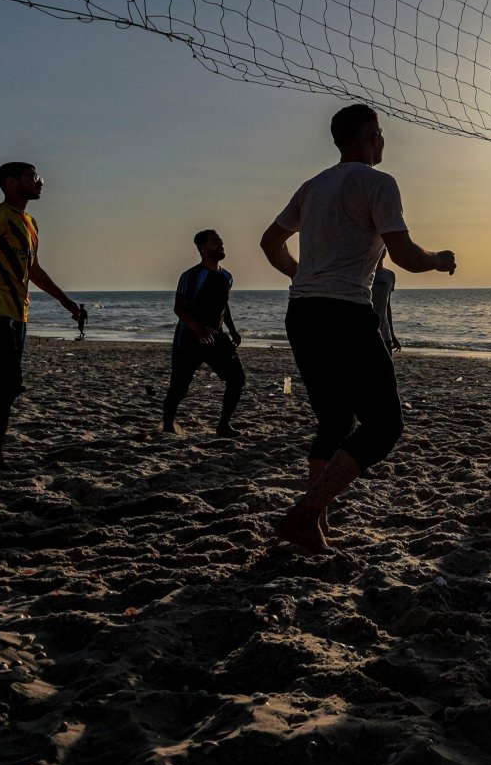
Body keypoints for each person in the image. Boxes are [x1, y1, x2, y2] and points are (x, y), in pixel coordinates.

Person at [261, 104, 457, 552]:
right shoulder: (378, 183)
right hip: (344, 312)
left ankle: (313, 526)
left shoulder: (313, 187)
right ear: (369, 137)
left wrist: (302, 276)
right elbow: (404, 255)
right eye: (381, 134)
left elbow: (269, 243)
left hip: (303, 313)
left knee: (334, 419)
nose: (384, 141)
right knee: (385, 425)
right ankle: (306, 513)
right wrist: (438, 260)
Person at [0, 162, 87, 469]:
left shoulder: (29, 221)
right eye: (32, 176)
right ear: (11, 182)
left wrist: (67, 303)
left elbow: (34, 271)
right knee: (8, 383)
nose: (40, 181)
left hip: (18, 312)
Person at [161, 229, 246, 437]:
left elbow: (224, 307)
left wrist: (233, 331)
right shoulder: (191, 276)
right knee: (179, 388)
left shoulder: (227, 276)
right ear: (202, 248)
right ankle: (168, 426)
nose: (221, 244)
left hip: (216, 337)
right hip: (189, 338)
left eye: (221, 241)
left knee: (237, 378)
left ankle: (224, 425)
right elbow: (179, 308)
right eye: (215, 241)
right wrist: (198, 329)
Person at [372, 252, 400, 354]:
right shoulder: (365, 274)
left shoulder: (390, 275)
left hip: (384, 331)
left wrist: (392, 335)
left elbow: (387, 306)